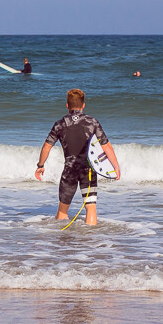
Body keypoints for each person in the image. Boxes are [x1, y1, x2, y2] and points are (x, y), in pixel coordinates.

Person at [35, 89, 121, 226]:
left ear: (67, 105)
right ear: (83, 105)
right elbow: (106, 146)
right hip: (89, 170)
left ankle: (62, 243)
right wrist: (115, 166)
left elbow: (47, 146)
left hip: (69, 170)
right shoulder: (92, 122)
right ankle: (90, 242)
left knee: (63, 209)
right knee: (90, 207)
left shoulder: (60, 124)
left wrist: (40, 166)